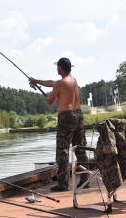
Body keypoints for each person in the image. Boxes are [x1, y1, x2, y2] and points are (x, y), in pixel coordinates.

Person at [29, 57, 89, 191]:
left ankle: (63, 183)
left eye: (57, 67)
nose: (56, 68)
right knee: (80, 148)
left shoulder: (60, 84)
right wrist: (36, 81)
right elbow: (52, 83)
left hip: (66, 116)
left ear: (61, 68)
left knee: (62, 151)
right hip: (78, 114)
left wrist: (46, 94)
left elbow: (50, 100)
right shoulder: (73, 80)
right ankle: (86, 178)